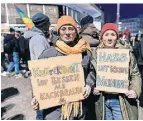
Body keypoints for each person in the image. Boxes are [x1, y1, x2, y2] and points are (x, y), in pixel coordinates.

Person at [31, 16, 95, 120]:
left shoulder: (85, 52)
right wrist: (35, 96)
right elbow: (38, 78)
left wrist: (89, 84)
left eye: (71, 29)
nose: (67, 32)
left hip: (80, 108)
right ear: (58, 31)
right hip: (56, 110)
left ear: (76, 31)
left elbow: (91, 71)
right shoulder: (48, 53)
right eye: (63, 29)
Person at [92, 23, 142, 120]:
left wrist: (135, 90)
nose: (109, 38)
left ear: (117, 37)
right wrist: (93, 87)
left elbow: (135, 74)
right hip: (102, 100)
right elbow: (92, 74)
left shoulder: (126, 53)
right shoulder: (96, 54)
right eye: (106, 35)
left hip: (121, 100)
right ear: (102, 37)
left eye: (113, 34)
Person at [24, 12, 51, 120]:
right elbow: (42, 60)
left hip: (38, 76)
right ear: (44, 24)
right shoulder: (39, 38)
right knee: (42, 107)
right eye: (48, 23)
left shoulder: (36, 37)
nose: (49, 25)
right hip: (42, 78)